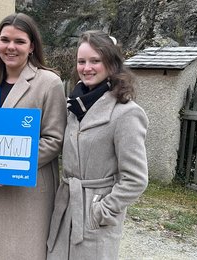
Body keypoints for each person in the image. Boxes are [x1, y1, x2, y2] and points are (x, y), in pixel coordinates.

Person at [0, 13, 67, 260]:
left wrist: (11, 166)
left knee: (24, 252)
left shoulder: (49, 83)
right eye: (5, 40)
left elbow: (54, 140)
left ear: (32, 46)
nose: (11, 47)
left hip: (27, 187)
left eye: (19, 41)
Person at [46, 30, 149, 259]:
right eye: (81, 61)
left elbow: (136, 179)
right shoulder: (74, 107)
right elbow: (41, 131)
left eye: (95, 60)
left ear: (111, 64)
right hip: (65, 209)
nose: (86, 67)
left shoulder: (127, 113)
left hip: (95, 214)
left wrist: (101, 211)